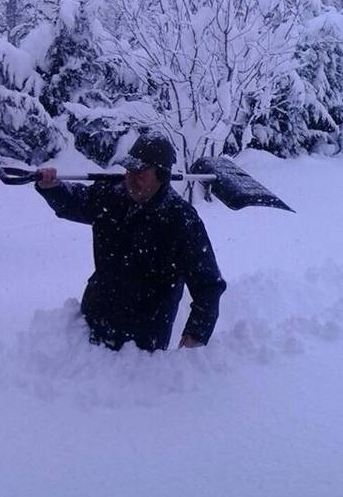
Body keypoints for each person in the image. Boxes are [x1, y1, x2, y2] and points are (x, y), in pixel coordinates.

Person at [36, 133, 226, 352]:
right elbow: (75, 202)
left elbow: (208, 284)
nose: (130, 177)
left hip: (144, 340)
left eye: (140, 171)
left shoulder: (181, 220)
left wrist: (196, 333)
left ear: (161, 175)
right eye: (129, 169)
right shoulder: (110, 195)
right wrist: (53, 188)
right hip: (95, 319)